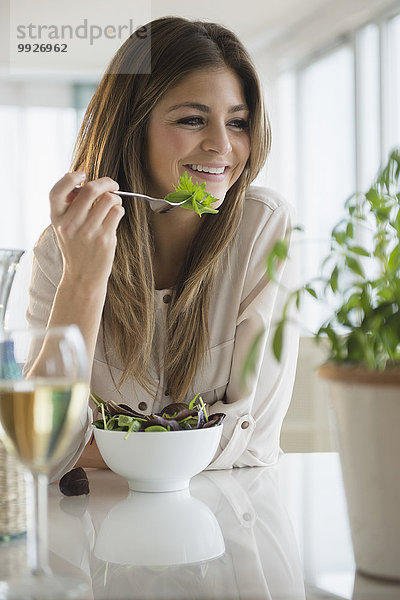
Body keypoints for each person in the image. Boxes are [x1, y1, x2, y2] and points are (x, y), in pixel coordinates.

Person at [27, 17, 298, 479]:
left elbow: (252, 437)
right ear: (132, 128)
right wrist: (85, 279)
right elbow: (37, 445)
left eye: (238, 123)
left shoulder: (261, 224)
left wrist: (97, 444)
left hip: (225, 520)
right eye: (193, 120)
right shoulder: (63, 248)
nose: (222, 145)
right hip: (99, 528)